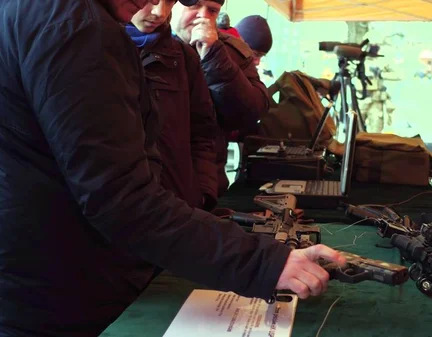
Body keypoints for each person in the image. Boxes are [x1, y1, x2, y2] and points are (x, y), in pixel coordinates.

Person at [0, 0, 344, 335]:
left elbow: (209, 130)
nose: (157, 7)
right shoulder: (77, 26)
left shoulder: (48, 15)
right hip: (61, 284)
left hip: (50, 267)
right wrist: (265, 263)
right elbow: (120, 198)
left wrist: (201, 197)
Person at [127, 0, 219, 210]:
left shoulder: (185, 58)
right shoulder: (94, 51)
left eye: (169, 1)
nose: (160, 12)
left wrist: (202, 193)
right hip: (111, 217)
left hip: (178, 207)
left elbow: (202, 133)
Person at [171, 0, 269, 196]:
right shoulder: (145, 44)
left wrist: (213, 56)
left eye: (212, 10)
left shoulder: (231, 50)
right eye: (194, 6)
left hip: (210, 182)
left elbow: (251, 112)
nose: (203, 16)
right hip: (158, 184)